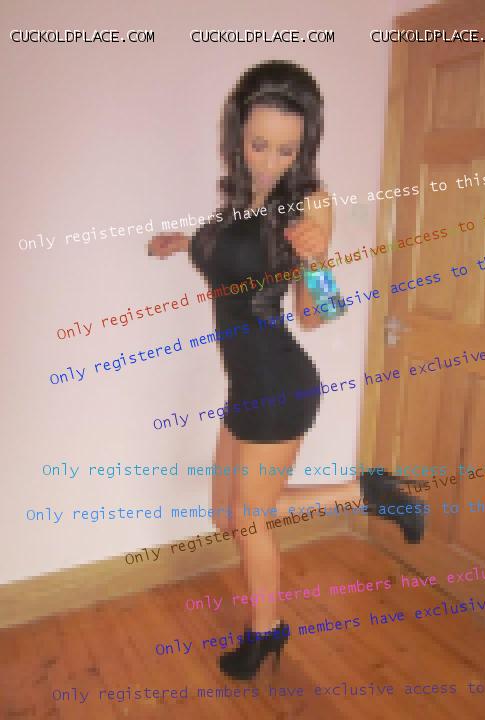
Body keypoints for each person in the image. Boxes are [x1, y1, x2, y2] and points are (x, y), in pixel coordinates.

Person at [148, 59, 425, 681]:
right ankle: (368, 491)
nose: (271, 162)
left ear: (304, 146)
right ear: (238, 136)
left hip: (279, 383)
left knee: (251, 520)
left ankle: (265, 631)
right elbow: (231, 258)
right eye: (259, 145)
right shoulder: (239, 203)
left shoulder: (308, 204)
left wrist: (321, 261)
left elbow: (317, 315)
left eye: (286, 149)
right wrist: (184, 243)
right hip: (246, 385)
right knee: (228, 515)